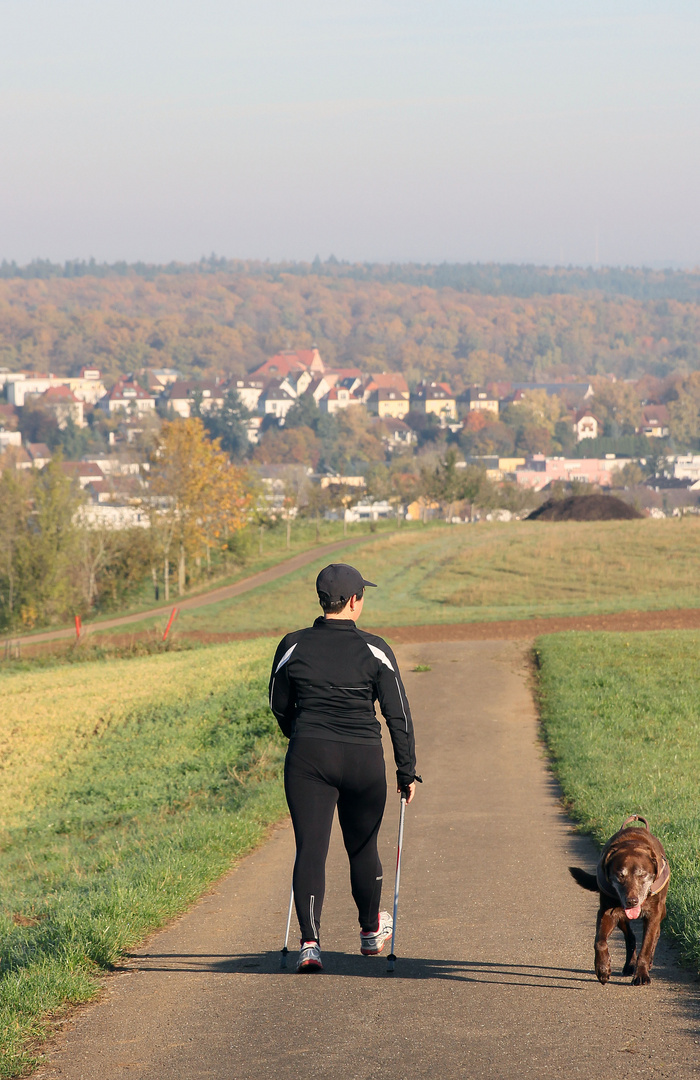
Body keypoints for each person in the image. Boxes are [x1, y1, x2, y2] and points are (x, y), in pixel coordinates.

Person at [269, 562, 420, 973]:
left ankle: (310, 944)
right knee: (362, 848)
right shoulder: (375, 648)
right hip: (362, 759)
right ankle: (371, 933)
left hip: (308, 757)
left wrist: (300, 736)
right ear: (354, 601)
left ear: (322, 601)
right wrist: (406, 770)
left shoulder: (292, 645)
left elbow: (278, 706)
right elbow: (398, 715)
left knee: (311, 850)